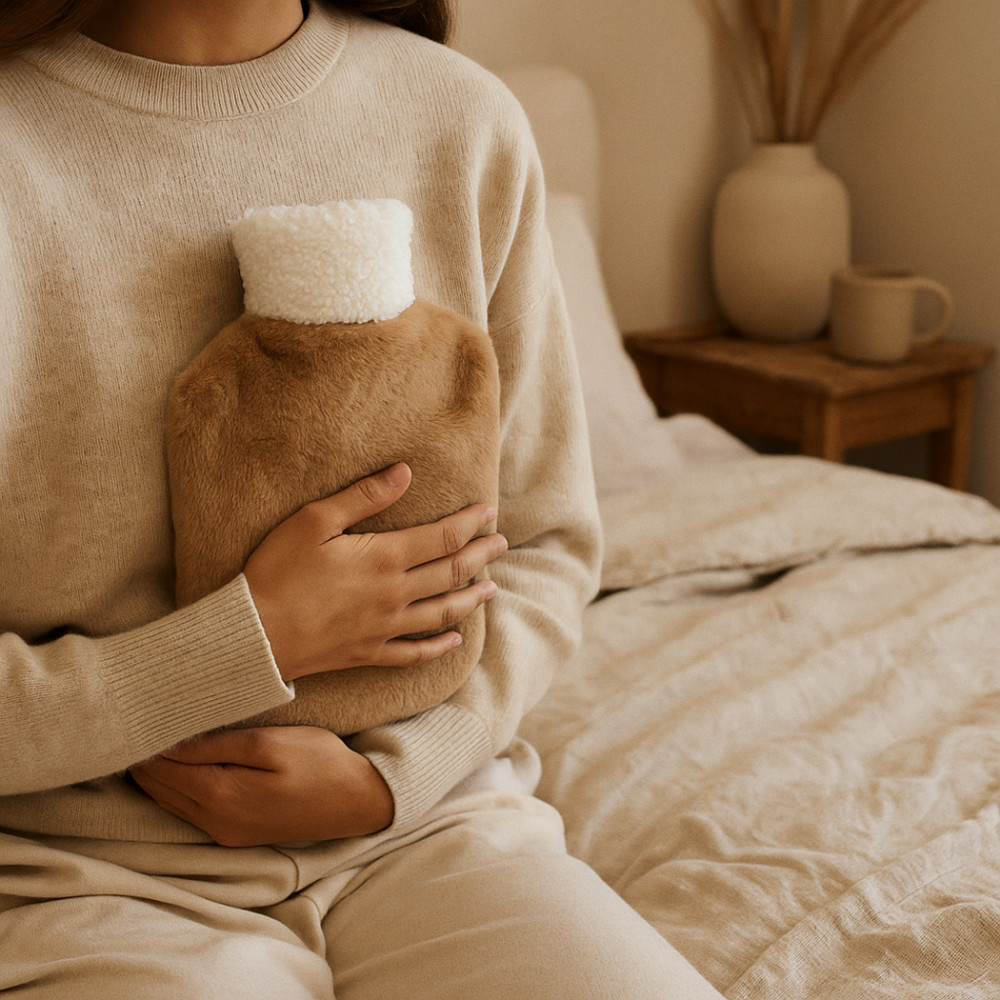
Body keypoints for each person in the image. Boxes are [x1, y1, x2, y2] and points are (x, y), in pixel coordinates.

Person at [0, 1, 726, 996]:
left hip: (428, 826)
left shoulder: (461, 120)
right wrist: (248, 642)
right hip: (78, 874)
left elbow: (549, 544)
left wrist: (398, 772)